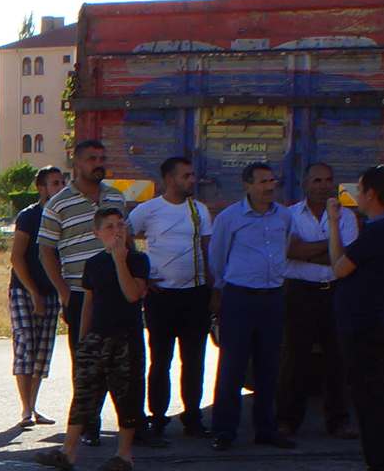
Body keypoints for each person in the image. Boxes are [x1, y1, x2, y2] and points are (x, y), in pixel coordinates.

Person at [36, 208, 152, 471]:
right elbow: (89, 302)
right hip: (96, 338)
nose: (116, 231)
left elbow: (133, 295)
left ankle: (124, 455)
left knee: (126, 395)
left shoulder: (137, 260)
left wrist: (120, 260)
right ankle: (68, 451)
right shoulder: (94, 264)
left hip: (125, 338)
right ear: (97, 233)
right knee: (84, 394)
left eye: (120, 225)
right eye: (109, 227)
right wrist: (83, 339)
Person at [204, 162, 296, 450]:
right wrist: (220, 289)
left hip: (272, 297)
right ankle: (224, 430)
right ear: (247, 185)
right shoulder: (230, 217)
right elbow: (217, 257)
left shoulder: (283, 215)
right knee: (232, 365)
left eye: (272, 180)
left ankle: (266, 429)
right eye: (262, 182)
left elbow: (286, 246)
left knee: (269, 366)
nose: (269, 187)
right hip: (240, 298)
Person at [35, 140, 122, 441]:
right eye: (91, 159)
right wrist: (64, 292)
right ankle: (88, 423)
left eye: (102, 157)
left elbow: (127, 239)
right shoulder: (59, 203)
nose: (98, 163)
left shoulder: (116, 197)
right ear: (77, 163)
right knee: (86, 361)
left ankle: (128, 423)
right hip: (79, 295)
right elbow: (45, 250)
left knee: (120, 361)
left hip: (117, 295)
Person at [332, 164, 384, 471]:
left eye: (360, 189)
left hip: (366, 325)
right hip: (365, 322)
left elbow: (339, 267)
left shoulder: (381, 231)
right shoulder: (383, 229)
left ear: (372, 195)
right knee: (365, 399)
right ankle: (374, 467)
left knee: (371, 399)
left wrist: (334, 225)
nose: (357, 196)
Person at [127, 155, 212, 445]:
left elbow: (206, 247)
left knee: (194, 359)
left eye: (192, 175)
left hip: (195, 295)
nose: (192, 180)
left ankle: (192, 417)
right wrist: (142, 276)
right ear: (169, 179)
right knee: (160, 360)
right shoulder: (148, 210)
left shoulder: (199, 210)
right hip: (161, 297)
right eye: (186, 176)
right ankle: (158, 416)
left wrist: (212, 288)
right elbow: (125, 236)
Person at [275, 160, 354, 441]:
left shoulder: (347, 216)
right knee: (294, 359)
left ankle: (339, 421)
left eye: (328, 180)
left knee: (338, 359)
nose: (323, 186)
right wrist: (331, 247)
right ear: (304, 184)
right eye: (317, 181)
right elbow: (290, 251)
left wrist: (307, 250)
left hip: (335, 292)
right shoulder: (288, 215)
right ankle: (286, 420)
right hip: (299, 292)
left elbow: (346, 257)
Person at [5, 166, 66, 427]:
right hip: (24, 290)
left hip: (52, 290)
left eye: (62, 182)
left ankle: (33, 406)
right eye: (54, 183)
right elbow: (17, 257)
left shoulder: (64, 217)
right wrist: (34, 293)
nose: (60, 187)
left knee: (42, 352)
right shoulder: (29, 216)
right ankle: (25, 410)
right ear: (41, 188)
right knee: (25, 345)